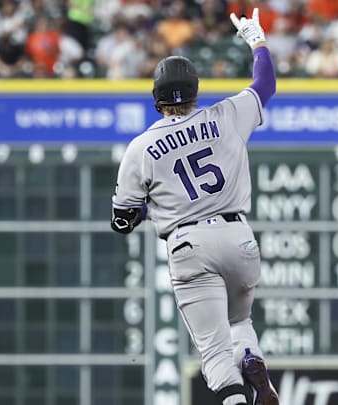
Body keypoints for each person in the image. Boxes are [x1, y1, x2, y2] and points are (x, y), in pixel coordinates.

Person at [110, 8, 278, 405]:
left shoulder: (141, 147)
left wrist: (149, 208)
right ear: (196, 90)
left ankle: (238, 395)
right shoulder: (228, 115)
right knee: (240, 322)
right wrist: (257, 40)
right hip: (239, 238)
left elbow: (121, 219)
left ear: (157, 98)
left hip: (188, 244)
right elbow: (266, 83)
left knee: (215, 353)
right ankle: (253, 359)